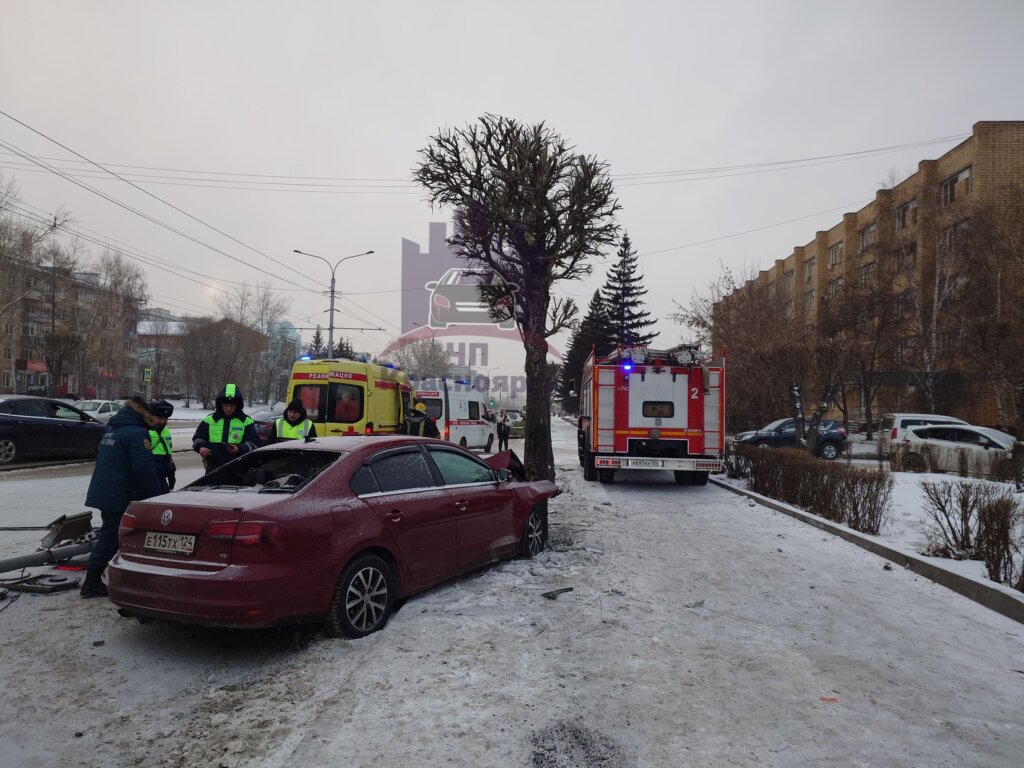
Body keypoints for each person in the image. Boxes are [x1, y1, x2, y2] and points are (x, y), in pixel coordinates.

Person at [81, 397, 165, 598]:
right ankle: (91, 582)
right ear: (144, 415)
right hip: (120, 493)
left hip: (107, 489)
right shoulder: (137, 433)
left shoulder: (114, 428)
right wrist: (158, 498)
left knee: (111, 534)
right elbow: (144, 469)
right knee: (112, 537)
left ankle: (104, 577)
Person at [192, 383, 259, 473]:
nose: (228, 409)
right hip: (213, 469)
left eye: (232, 406)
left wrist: (239, 448)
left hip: (237, 469)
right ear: (221, 405)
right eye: (226, 405)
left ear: (237, 405)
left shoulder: (246, 421)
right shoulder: (210, 419)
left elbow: (254, 443)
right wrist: (200, 447)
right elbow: (198, 437)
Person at [148, 399, 176, 492]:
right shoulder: (144, 430)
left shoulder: (165, 430)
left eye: (166, 418)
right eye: (160, 418)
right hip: (149, 479)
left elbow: (167, 450)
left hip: (162, 477)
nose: (163, 421)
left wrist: (171, 472)